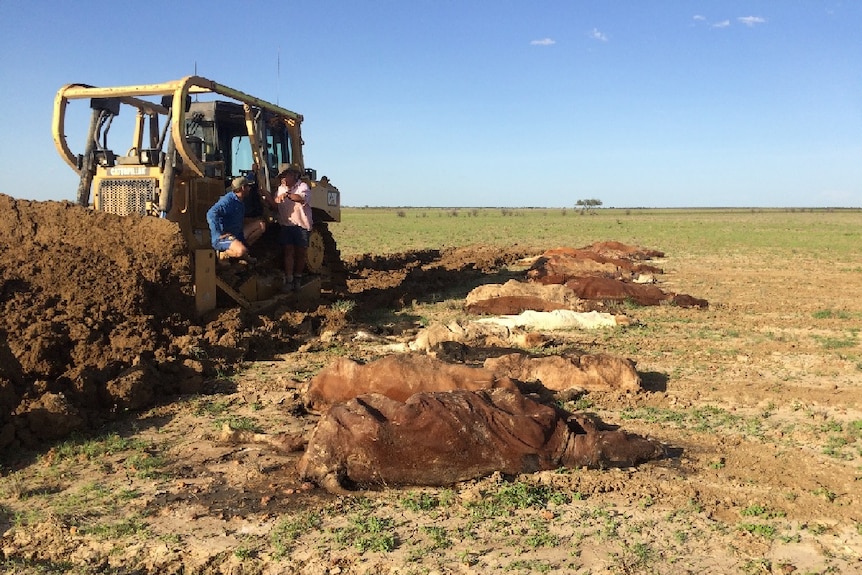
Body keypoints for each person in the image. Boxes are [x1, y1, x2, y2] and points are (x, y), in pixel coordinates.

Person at [206, 176, 265, 262]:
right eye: (248, 186)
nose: (250, 189)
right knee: (241, 251)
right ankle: (224, 254)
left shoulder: (240, 200)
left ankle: (242, 251)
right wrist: (217, 234)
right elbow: (211, 213)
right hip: (224, 237)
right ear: (242, 188)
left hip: (237, 233)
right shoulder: (228, 201)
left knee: (261, 225)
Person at [274, 163, 313, 291]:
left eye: (285, 176)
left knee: (301, 253)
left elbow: (301, 199)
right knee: (288, 252)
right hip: (286, 225)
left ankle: (298, 278)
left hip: (301, 225)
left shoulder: (302, 187)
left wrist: (287, 195)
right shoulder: (280, 189)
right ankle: (290, 279)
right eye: (281, 177)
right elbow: (275, 204)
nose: (283, 179)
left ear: (293, 175)